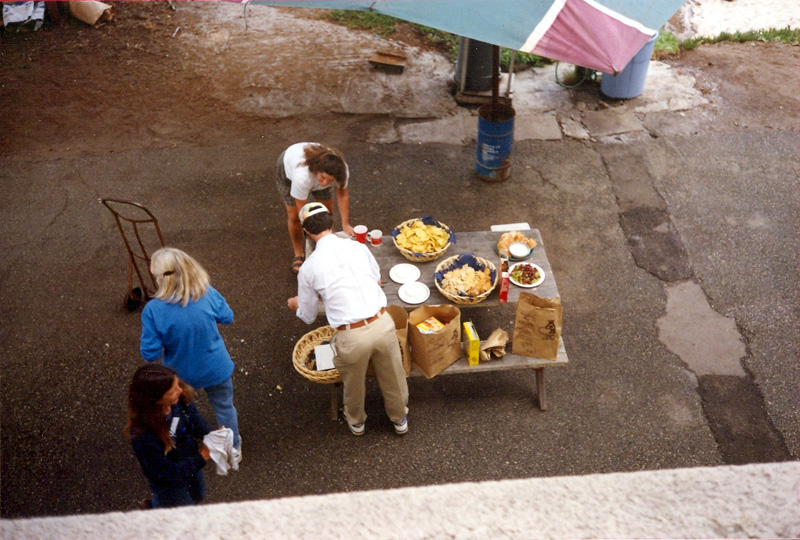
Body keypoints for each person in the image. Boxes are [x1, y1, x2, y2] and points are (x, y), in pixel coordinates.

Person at [287, 202, 409, 436]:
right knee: (393, 375)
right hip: (382, 322)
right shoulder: (358, 247)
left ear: (307, 232)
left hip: (351, 335)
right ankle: (399, 418)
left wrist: (296, 305)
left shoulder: (308, 268)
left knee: (353, 383)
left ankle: (357, 423)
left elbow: (309, 315)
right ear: (331, 223)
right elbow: (377, 281)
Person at [140, 247, 242, 463]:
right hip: (216, 366)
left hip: (180, 376)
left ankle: (183, 444)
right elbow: (227, 317)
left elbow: (150, 353)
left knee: (180, 409)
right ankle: (233, 449)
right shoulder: (206, 292)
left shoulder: (153, 310)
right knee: (224, 407)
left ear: (159, 277)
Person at [125, 364, 212, 508]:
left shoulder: (179, 402)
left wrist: (210, 434)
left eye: (177, 385)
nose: (180, 390)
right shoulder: (143, 436)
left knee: (198, 495)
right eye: (172, 391)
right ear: (156, 400)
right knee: (182, 508)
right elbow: (166, 473)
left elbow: (194, 419)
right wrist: (201, 457)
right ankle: (155, 509)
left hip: (189, 463)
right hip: (169, 483)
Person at [275, 142, 354, 273]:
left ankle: (327, 246)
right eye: (323, 178)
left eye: (330, 181)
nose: (325, 183)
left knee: (326, 213)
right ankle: (299, 253)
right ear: (318, 170)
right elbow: (304, 213)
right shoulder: (302, 177)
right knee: (294, 216)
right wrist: (311, 233)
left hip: (314, 173)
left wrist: (346, 225)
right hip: (287, 170)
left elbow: (342, 195)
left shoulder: (341, 171)